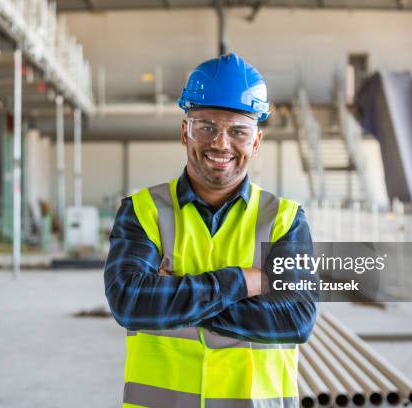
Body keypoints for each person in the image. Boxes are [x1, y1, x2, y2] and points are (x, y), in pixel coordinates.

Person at [104, 53, 318, 408]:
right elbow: (129, 302)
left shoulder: (285, 220)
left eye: (238, 130)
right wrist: (244, 282)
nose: (221, 143)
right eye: (206, 126)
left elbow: (296, 320)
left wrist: (173, 299)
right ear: (184, 131)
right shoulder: (142, 211)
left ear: (256, 141)